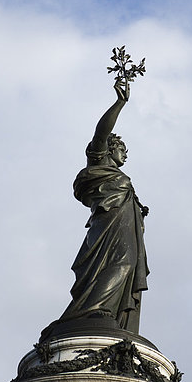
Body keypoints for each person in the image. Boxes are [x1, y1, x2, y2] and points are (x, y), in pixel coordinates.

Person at [59, 81, 149, 334]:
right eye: (122, 149)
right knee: (121, 264)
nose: (126, 155)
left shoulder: (116, 176)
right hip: (107, 227)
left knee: (127, 264)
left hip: (123, 228)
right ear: (110, 149)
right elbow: (101, 133)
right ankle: (93, 309)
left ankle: (105, 310)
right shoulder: (98, 164)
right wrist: (120, 103)